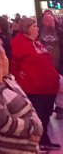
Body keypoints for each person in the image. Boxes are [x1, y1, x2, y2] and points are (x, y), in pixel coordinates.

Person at [11, 16, 60, 150]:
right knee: (39, 116)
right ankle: (38, 141)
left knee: (45, 115)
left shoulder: (36, 42)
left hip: (47, 87)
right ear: (26, 28)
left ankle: (43, 139)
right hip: (35, 88)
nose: (37, 29)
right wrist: (20, 76)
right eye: (34, 26)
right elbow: (13, 62)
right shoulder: (19, 42)